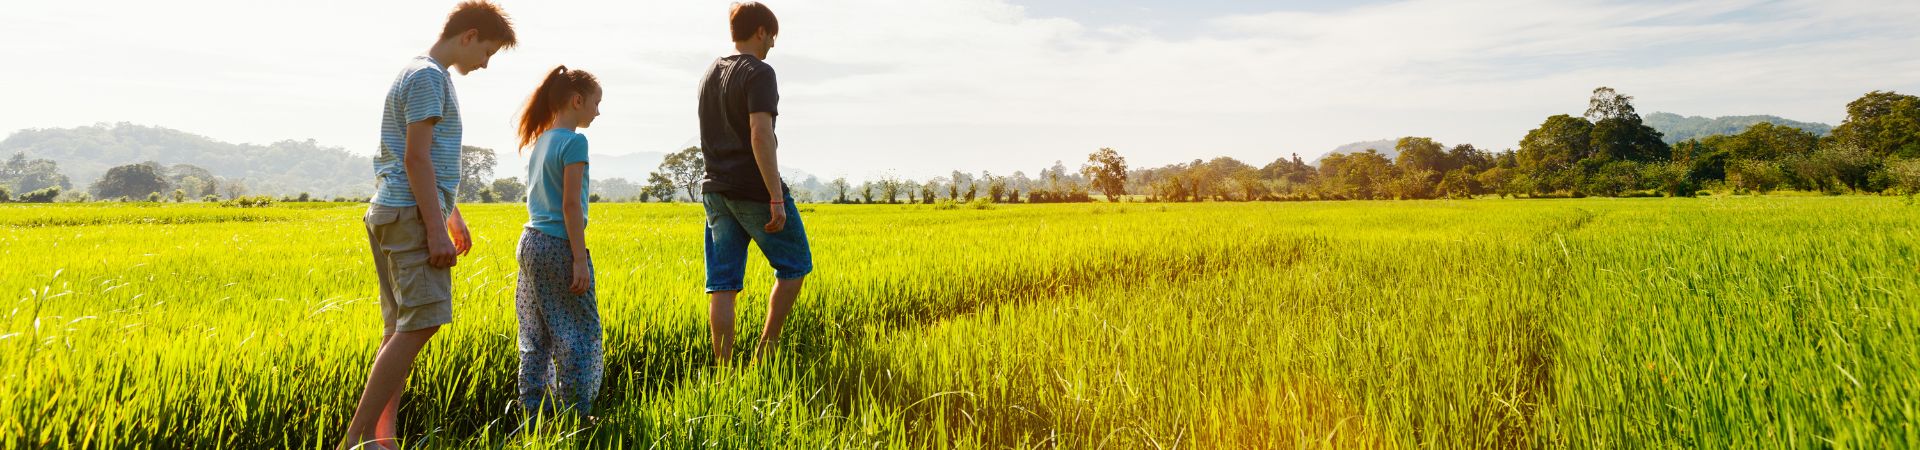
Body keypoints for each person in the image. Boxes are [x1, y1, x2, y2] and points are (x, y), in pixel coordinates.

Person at [341, 2, 515, 448]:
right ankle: (355, 441)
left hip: (394, 209)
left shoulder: (417, 72)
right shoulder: (429, 77)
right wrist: (436, 228)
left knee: (400, 326)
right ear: (469, 36)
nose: (485, 63)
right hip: (409, 215)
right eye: (488, 52)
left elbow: (423, 158)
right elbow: (414, 157)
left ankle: (382, 440)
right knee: (421, 324)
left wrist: (451, 213)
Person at [697, 1, 812, 365]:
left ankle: (724, 370)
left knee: (723, 284)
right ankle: (766, 349)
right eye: (772, 36)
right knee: (795, 266)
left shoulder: (709, 73)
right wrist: (775, 196)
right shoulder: (760, 72)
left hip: (714, 189)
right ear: (760, 31)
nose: (772, 45)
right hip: (752, 188)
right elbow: (760, 135)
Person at [512, 65, 605, 417]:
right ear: (577, 100)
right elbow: (570, 205)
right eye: (596, 103)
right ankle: (577, 416)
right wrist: (578, 259)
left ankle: (532, 413)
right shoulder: (574, 141)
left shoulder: (542, 139)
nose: (598, 111)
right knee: (581, 332)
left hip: (530, 242)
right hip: (557, 245)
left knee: (535, 335)